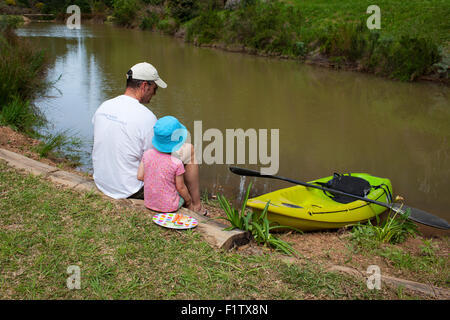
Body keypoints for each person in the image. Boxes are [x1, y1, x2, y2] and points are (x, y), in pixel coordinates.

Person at [91, 62, 203, 212]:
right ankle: (196, 206)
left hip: (102, 182)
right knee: (190, 150)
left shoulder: (104, 106)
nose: (154, 94)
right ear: (144, 86)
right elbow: (157, 161)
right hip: (130, 190)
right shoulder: (146, 117)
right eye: (154, 89)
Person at [137, 116, 193, 212]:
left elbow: (140, 176)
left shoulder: (147, 154)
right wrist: (189, 200)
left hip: (149, 202)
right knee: (182, 196)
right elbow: (181, 187)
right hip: (169, 207)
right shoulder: (177, 163)